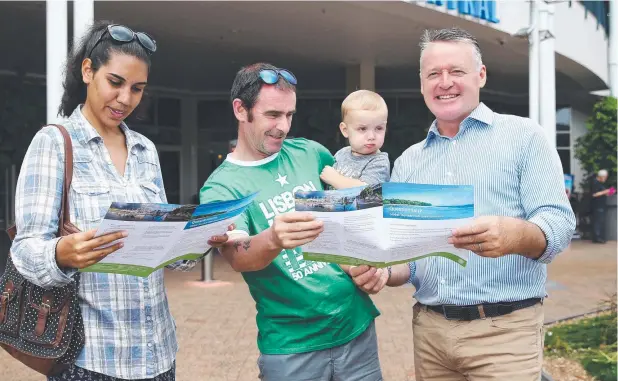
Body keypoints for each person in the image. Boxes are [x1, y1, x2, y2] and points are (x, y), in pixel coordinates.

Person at [350, 27, 576, 381]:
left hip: (505, 335)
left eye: (456, 71)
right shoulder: (409, 161)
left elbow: (559, 224)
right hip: (430, 334)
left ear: (480, 75)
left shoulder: (524, 137)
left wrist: (516, 235)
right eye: (433, 74)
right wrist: (383, 271)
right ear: (422, 83)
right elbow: (410, 258)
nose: (445, 82)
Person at [10, 22, 229, 381]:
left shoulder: (146, 150)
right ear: (87, 71)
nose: (125, 99)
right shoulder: (54, 143)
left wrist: (198, 240)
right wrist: (62, 253)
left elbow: (161, 248)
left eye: (137, 88)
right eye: (115, 82)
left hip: (158, 353)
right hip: (89, 359)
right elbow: (25, 251)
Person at [199, 63, 384, 381]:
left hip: (357, 329)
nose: (283, 126)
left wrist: (364, 265)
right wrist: (272, 238)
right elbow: (238, 258)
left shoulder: (312, 154)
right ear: (241, 110)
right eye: (273, 115)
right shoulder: (220, 188)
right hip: (291, 346)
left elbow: (350, 220)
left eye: (289, 115)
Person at [320, 90, 391, 189]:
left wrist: (334, 178)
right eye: (362, 129)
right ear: (345, 130)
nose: (371, 136)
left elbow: (367, 193)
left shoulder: (379, 161)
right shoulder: (341, 154)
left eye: (379, 128)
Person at [590, 169, 614, 243]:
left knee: (600, 221)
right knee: (598, 222)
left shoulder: (600, 183)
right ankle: (597, 238)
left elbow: (602, 193)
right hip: (597, 206)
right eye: (605, 177)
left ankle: (599, 237)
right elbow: (594, 194)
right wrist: (605, 191)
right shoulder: (595, 183)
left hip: (601, 205)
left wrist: (610, 192)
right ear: (601, 176)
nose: (605, 179)